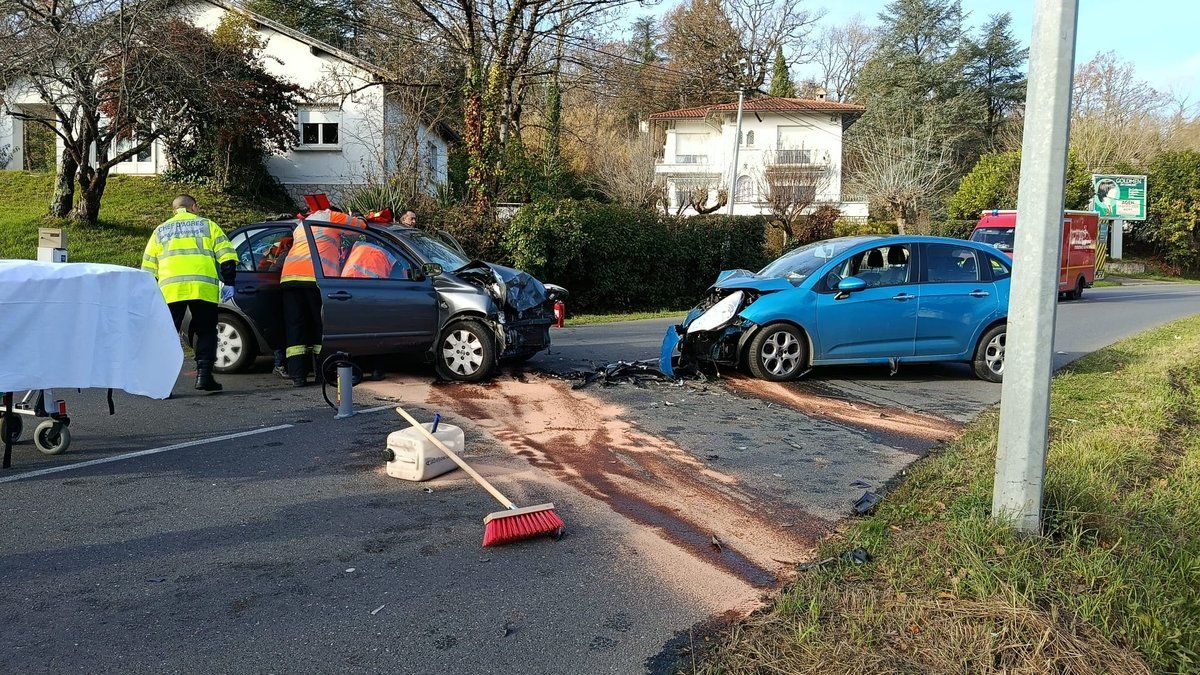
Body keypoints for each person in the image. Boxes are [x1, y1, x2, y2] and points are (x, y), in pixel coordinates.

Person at [141, 195, 237, 392]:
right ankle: (204, 376)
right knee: (206, 331)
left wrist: (149, 293)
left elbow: (148, 267)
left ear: (174, 210)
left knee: (166, 334)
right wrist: (229, 282)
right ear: (193, 207)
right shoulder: (207, 225)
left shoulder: (160, 231)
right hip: (203, 287)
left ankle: (160, 384)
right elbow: (227, 256)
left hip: (170, 290)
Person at [278, 208, 368, 386]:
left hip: (289, 278)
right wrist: (359, 217)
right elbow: (360, 226)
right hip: (314, 278)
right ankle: (322, 374)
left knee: (296, 327)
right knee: (321, 326)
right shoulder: (332, 216)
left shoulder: (301, 224)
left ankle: (298, 376)